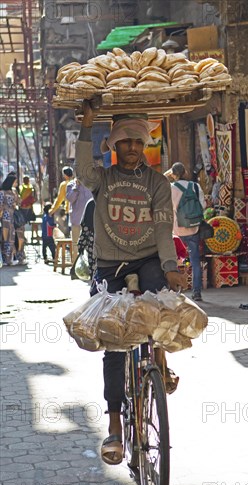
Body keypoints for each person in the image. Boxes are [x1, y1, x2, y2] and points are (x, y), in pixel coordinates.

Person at [75, 101, 186, 465]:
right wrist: (87, 127)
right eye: (125, 143)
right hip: (109, 265)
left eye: (138, 142)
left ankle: (161, 361)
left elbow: (162, 226)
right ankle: (115, 426)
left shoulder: (156, 182)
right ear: (114, 146)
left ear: (145, 145)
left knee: (161, 307)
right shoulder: (103, 178)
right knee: (115, 343)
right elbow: (81, 168)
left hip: (149, 258)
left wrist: (170, 265)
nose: (133, 149)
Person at [171, 162, 206, 302]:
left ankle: (176, 291)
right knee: (195, 261)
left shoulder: (171, 188)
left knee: (175, 260)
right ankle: (196, 292)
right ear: (185, 172)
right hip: (193, 229)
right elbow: (202, 205)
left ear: (174, 174)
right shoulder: (195, 186)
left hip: (177, 231)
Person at [66, 176, 92, 261]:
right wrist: (76, 187)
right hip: (77, 221)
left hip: (90, 222)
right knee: (76, 246)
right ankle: (75, 268)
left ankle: (88, 269)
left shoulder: (91, 183)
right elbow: (70, 199)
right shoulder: (71, 185)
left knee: (90, 246)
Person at [0, 172, 20, 266]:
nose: (15, 183)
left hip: (8, 217)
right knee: (7, 238)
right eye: (14, 182)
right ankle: (7, 259)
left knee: (9, 238)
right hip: (6, 217)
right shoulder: (5, 192)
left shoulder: (10, 192)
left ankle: (8, 259)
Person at [77, 198, 96, 279]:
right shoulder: (108, 202)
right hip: (109, 244)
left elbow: (86, 228)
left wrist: (81, 244)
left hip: (93, 243)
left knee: (94, 272)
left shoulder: (91, 203)